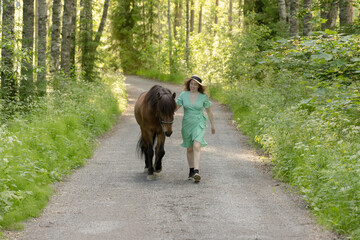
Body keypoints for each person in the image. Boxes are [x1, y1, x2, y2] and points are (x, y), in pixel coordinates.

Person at [175, 75, 215, 183]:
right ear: (189, 84)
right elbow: (175, 107)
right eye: (191, 84)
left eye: (195, 84)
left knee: (197, 145)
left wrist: (212, 125)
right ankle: (191, 171)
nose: (193, 86)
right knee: (189, 148)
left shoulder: (203, 97)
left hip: (199, 123)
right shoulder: (183, 95)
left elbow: (209, 111)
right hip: (187, 124)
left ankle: (197, 172)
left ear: (199, 86)